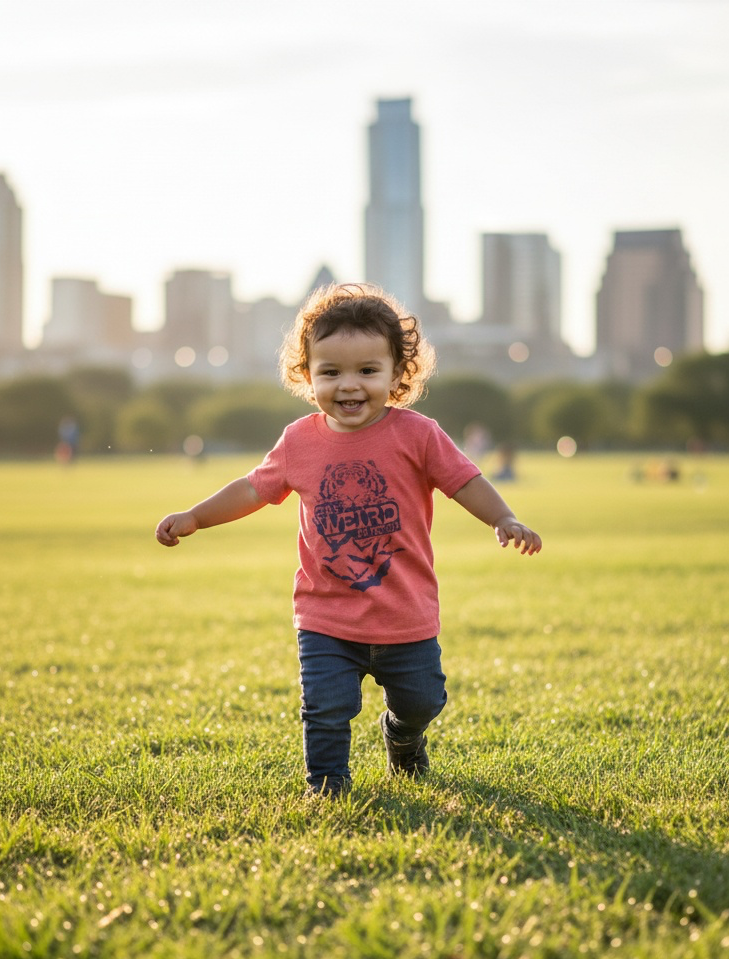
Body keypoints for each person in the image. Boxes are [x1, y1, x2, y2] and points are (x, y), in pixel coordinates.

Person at [155, 283, 541, 796]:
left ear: (397, 374)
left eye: (367, 371)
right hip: (327, 615)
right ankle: (327, 786)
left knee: (423, 701)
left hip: (404, 612)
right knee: (325, 706)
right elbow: (252, 488)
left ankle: (402, 735)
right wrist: (196, 517)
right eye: (331, 372)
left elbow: (464, 481)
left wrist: (503, 517)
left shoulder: (418, 434)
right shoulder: (299, 441)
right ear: (307, 374)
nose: (348, 385)